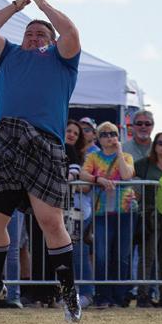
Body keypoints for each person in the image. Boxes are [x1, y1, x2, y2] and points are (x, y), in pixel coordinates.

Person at [0, 0, 82, 323]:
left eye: (41, 34)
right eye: (29, 33)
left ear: (51, 40)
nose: (33, 37)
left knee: (50, 221)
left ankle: (68, 292)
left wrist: (43, 6)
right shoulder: (10, 55)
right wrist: (17, 6)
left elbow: (71, 33)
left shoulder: (62, 59)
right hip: (5, 141)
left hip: (43, 143)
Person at [81, 121, 135, 308]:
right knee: (101, 256)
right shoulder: (93, 157)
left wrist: (119, 151)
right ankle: (103, 296)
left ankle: (119, 297)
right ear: (98, 138)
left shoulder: (126, 156)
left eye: (112, 133)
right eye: (104, 134)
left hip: (125, 212)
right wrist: (99, 179)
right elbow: (83, 174)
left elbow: (127, 175)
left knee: (121, 256)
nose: (109, 137)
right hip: (102, 213)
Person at [134, 131, 162, 308]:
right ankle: (143, 295)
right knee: (147, 257)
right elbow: (127, 172)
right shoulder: (145, 164)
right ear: (155, 146)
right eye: (160, 143)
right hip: (150, 217)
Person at [65, 120, 93, 307]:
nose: (72, 135)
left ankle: (86, 293)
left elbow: (85, 185)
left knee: (78, 252)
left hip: (78, 210)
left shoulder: (87, 157)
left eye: (76, 133)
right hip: (61, 209)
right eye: (69, 131)